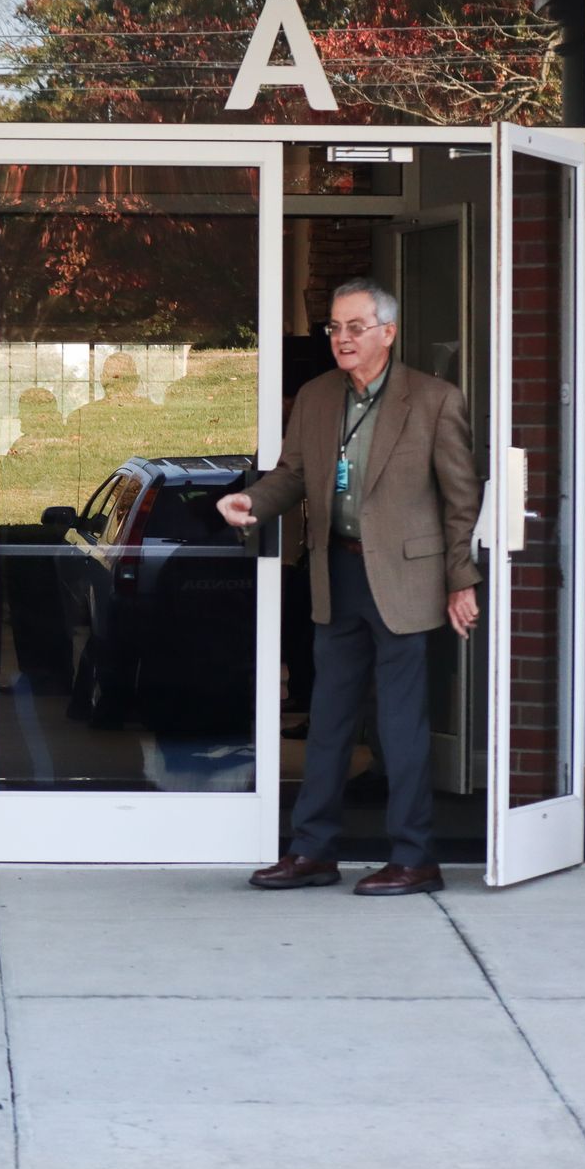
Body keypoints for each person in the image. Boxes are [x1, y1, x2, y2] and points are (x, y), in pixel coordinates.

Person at [218, 278, 481, 896]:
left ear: (387, 333)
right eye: (335, 328)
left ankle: (415, 858)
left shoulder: (435, 400)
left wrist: (461, 579)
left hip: (406, 580)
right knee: (330, 720)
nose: (342, 338)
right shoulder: (315, 397)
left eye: (355, 327)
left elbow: (461, 500)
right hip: (335, 573)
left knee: (400, 727)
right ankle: (313, 850)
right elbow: (292, 476)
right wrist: (251, 503)